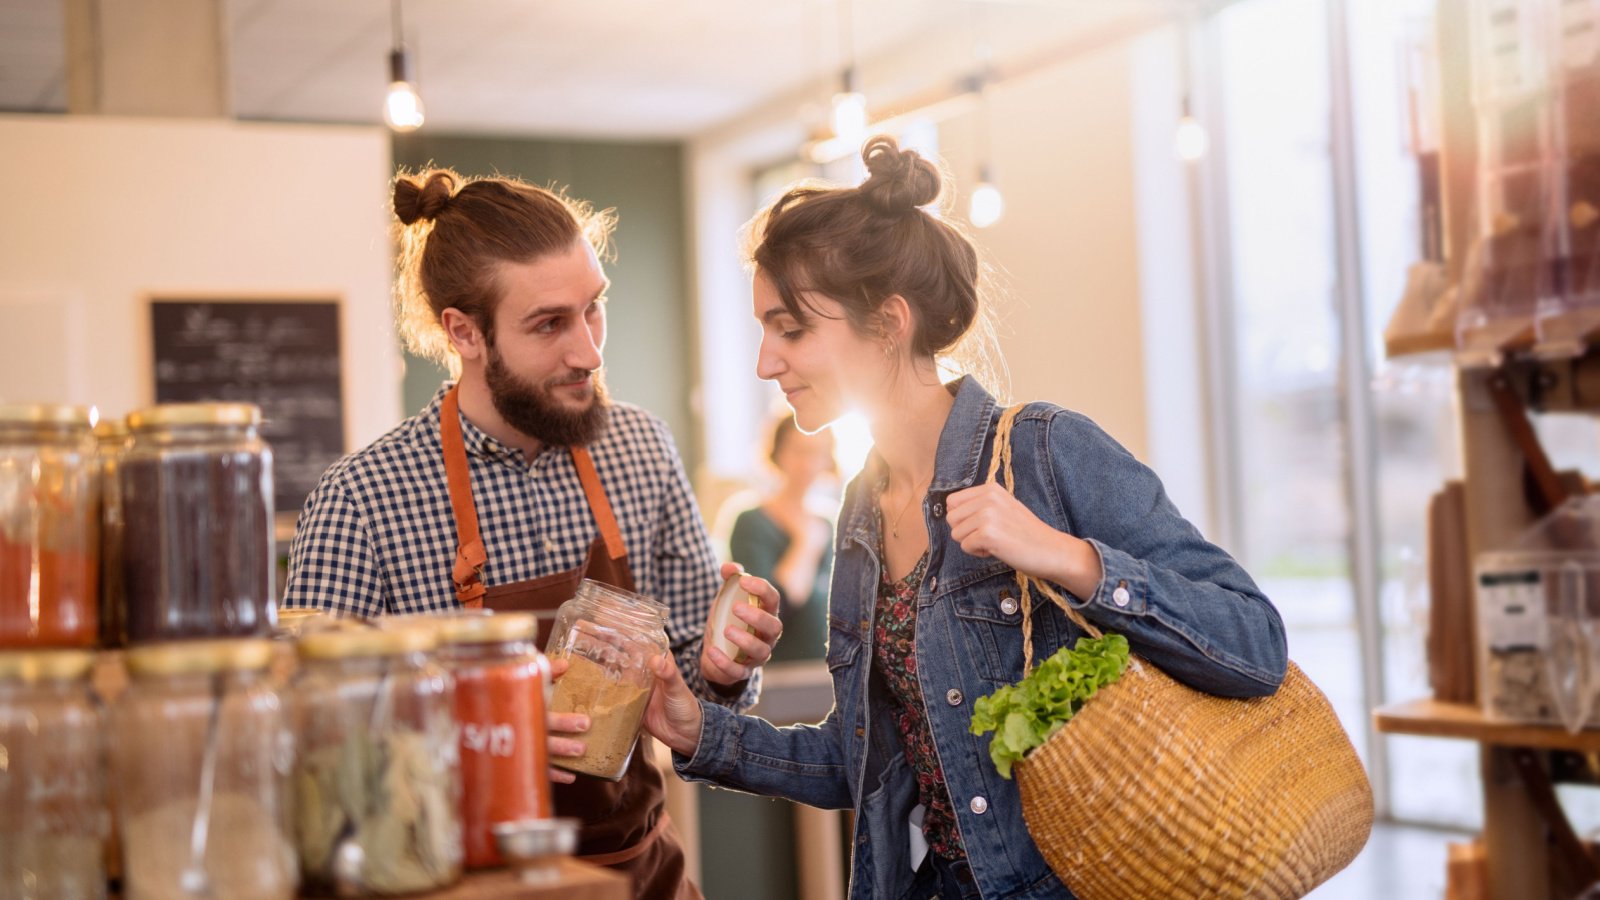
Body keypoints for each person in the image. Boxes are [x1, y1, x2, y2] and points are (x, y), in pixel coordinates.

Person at [640, 136, 1289, 900]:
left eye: (791, 329)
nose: (764, 362)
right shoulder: (860, 513)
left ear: (888, 323)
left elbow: (1255, 642)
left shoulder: (1047, 451)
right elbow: (871, 766)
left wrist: (1066, 557)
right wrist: (696, 731)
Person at [283, 168, 782, 900]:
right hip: (463, 883)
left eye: (594, 310)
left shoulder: (639, 448)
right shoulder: (362, 498)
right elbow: (303, 736)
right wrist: (474, 735)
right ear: (463, 332)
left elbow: (694, 694)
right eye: (550, 324)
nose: (589, 352)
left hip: (640, 871)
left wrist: (725, 666)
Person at [728, 415, 836, 664]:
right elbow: (774, 610)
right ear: (778, 452)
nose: (808, 464)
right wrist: (805, 543)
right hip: (776, 672)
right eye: (799, 451)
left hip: (824, 669)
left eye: (818, 453)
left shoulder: (831, 523)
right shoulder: (752, 522)